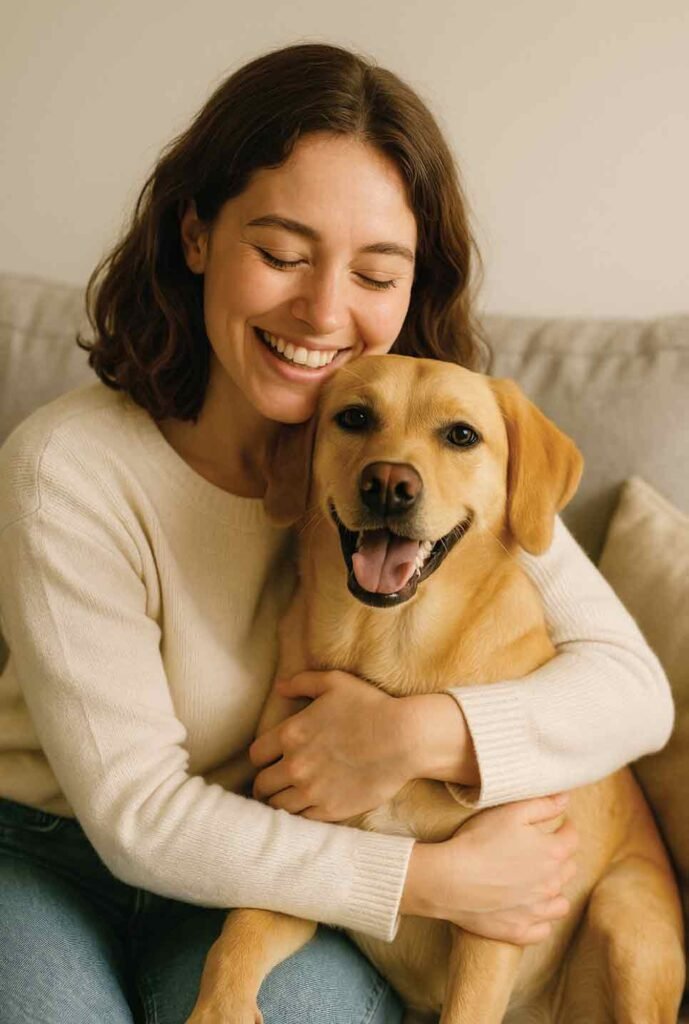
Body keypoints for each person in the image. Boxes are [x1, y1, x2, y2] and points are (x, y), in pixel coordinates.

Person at [0, 42, 673, 1024]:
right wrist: (431, 878)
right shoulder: (70, 467)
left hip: (279, 879)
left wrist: (416, 733)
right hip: (51, 851)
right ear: (195, 234)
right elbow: (140, 818)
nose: (323, 310)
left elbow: (632, 693)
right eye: (280, 253)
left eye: (374, 271)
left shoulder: (436, 467)